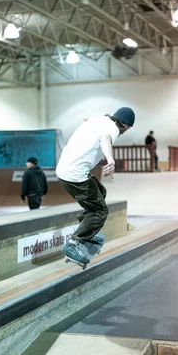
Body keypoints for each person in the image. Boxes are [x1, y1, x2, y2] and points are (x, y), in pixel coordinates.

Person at [56, 107, 135, 265]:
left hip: (65, 170)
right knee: (100, 211)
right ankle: (74, 243)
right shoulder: (112, 129)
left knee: (100, 191)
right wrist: (110, 159)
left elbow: (89, 118)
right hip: (75, 176)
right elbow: (105, 138)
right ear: (126, 127)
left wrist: (90, 119)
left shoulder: (100, 119)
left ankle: (86, 229)